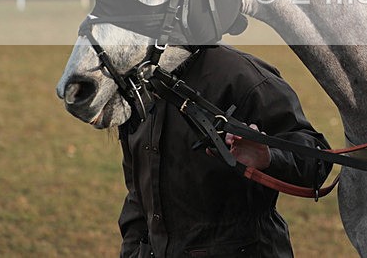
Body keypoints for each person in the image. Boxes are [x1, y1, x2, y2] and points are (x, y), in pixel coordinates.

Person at [118, 45, 331, 257]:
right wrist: (133, 251)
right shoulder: (137, 84)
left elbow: (317, 160)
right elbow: (138, 194)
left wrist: (269, 158)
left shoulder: (245, 78)